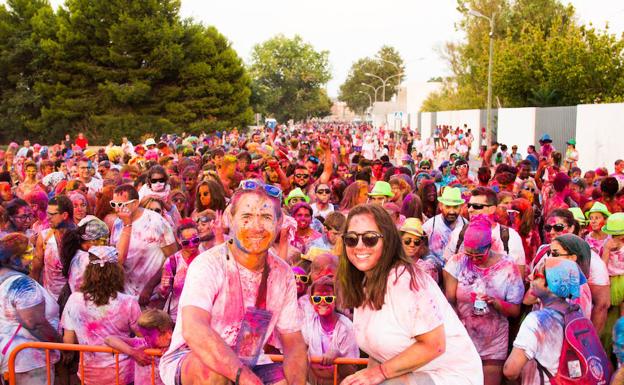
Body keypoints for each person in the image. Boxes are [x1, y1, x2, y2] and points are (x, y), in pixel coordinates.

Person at [159, 182, 306, 385]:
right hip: (192, 359)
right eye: (246, 217)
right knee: (215, 374)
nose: (256, 227)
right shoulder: (208, 264)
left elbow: (294, 343)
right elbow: (195, 328)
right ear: (231, 219)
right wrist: (246, 380)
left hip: (249, 359)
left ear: (279, 223)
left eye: (266, 217)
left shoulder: (282, 273)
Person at [338, 204, 483, 385]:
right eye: (351, 239)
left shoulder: (404, 280)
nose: (359, 246)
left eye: (370, 238)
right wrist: (368, 377)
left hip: (450, 375)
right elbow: (378, 351)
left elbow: (434, 345)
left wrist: (380, 373)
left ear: (388, 240)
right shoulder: (363, 282)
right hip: (410, 372)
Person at [444, 217, 524, 385]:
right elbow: (449, 300)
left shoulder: (508, 267)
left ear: (490, 246)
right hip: (463, 340)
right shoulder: (457, 262)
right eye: (469, 253)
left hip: (493, 342)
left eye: (479, 255)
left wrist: (495, 302)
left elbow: (515, 310)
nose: (473, 259)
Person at [504, 258, 610, 385]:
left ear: (551, 285)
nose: (531, 277)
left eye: (537, 274)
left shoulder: (537, 321)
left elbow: (510, 370)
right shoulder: (577, 313)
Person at [62, 246, 141, 385]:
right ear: (117, 272)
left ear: (88, 272)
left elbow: (68, 341)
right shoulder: (129, 302)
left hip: (89, 374)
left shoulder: (74, 299)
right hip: (122, 374)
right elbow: (143, 337)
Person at [0, 233, 61, 384]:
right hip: (29, 361)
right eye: (28, 253)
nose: (33, 257)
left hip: (12, 359)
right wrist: (60, 344)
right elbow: (35, 323)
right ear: (13, 258)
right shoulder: (23, 284)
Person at [110, 184, 177, 305]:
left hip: (152, 296)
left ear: (135, 203)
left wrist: (150, 287)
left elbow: (172, 257)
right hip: (125, 296)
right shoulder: (118, 223)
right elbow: (115, 257)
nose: (117, 209)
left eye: (121, 205)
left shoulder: (156, 222)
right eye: (114, 204)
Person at [443, 187, 526, 277]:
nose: (470, 209)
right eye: (469, 205)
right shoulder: (459, 233)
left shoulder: (510, 237)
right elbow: (448, 272)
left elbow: (518, 277)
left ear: (492, 209)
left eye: (477, 206)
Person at [301, 276, 358, 385]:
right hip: (313, 380)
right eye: (317, 298)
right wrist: (302, 352)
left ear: (336, 301)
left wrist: (337, 356)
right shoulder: (308, 322)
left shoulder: (346, 328)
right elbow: (300, 347)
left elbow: (352, 371)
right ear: (312, 301)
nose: (322, 302)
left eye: (328, 298)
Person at [105, 309, 174, 385]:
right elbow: (109, 339)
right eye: (162, 334)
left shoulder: (176, 346)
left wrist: (172, 349)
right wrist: (133, 352)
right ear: (148, 337)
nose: (169, 336)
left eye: (170, 331)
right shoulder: (142, 343)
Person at [31, 195, 75, 301]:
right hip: (50, 299)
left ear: (64, 215)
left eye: (52, 214)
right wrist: (34, 296)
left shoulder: (80, 237)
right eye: (47, 213)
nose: (48, 218)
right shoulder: (44, 237)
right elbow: (36, 269)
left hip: (73, 301)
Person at [159, 219, 201, 322]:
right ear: (178, 240)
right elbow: (163, 294)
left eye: (195, 240)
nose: (191, 245)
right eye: (186, 242)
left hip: (200, 315)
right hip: (176, 316)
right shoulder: (172, 262)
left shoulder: (206, 257)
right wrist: (164, 288)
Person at [423, 187, 468, 265]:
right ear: (441, 206)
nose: (451, 211)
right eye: (447, 206)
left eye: (455, 207)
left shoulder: (466, 225)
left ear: (460, 207)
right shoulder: (429, 227)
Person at [400, 218, 439, 282]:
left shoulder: (427, 269)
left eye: (416, 241)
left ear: (421, 244)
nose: (412, 245)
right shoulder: (393, 263)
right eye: (407, 241)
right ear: (400, 241)